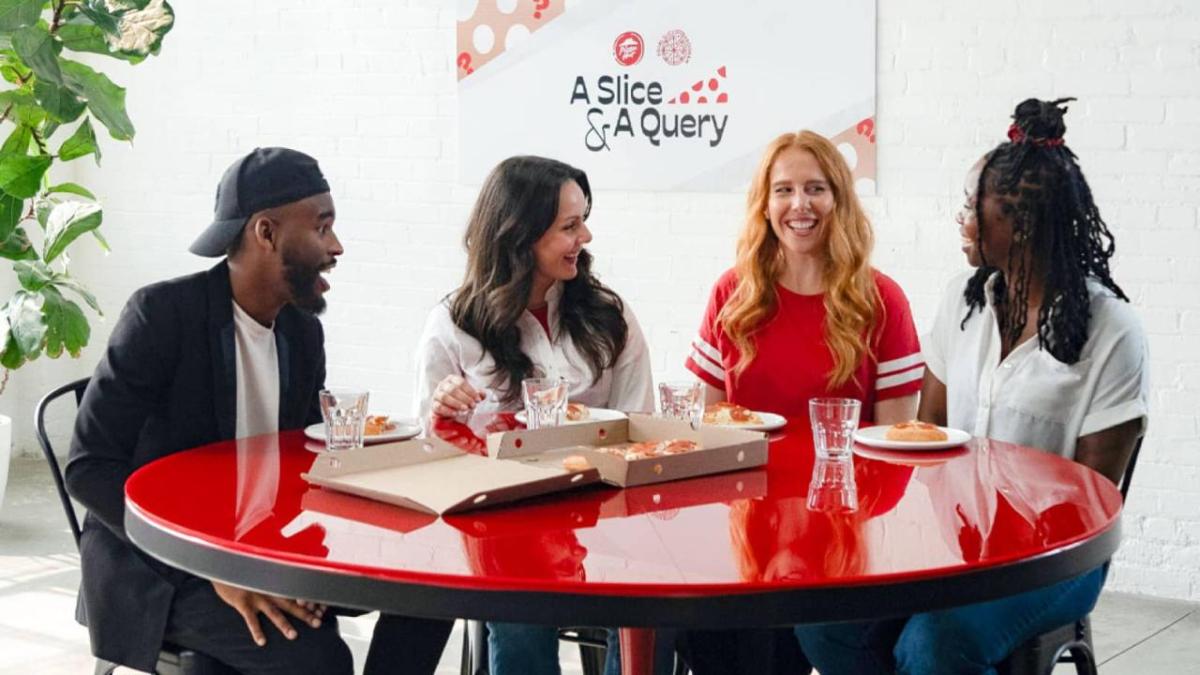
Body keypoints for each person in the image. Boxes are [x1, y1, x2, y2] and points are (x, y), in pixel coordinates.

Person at [794, 98, 1150, 674]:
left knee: (933, 643)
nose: (960, 219)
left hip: (1052, 561)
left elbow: (1091, 499)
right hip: (954, 540)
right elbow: (924, 437)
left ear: (1022, 222)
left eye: (970, 206)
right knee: (825, 621)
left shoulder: (1111, 332)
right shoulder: (964, 302)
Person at [65, 148, 453, 675]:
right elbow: (88, 467)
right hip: (165, 568)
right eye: (321, 228)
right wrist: (213, 571)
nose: (336, 246)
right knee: (319, 661)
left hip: (267, 549)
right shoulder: (161, 317)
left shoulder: (300, 331)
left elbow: (297, 457)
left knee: (430, 592)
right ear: (265, 232)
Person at [678, 130, 924, 675]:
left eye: (816, 188)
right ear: (764, 206)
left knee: (824, 635)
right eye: (784, 190)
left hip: (848, 534)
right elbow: (709, 426)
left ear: (839, 198)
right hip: (748, 531)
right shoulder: (732, 294)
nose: (799, 205)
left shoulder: (882, 300)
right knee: (704, 631)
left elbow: (896, 451)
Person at [414, 155, 663, 675]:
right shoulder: (453, 324)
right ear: (518, 235)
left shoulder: (608, 317)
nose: (586, 236)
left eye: (583, 220)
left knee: (656, 600)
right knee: (520, 618)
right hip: (505, 527)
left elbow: (643, 424)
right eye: (569, 226)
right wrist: (443, 411)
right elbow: (428, 457)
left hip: (605, 514)